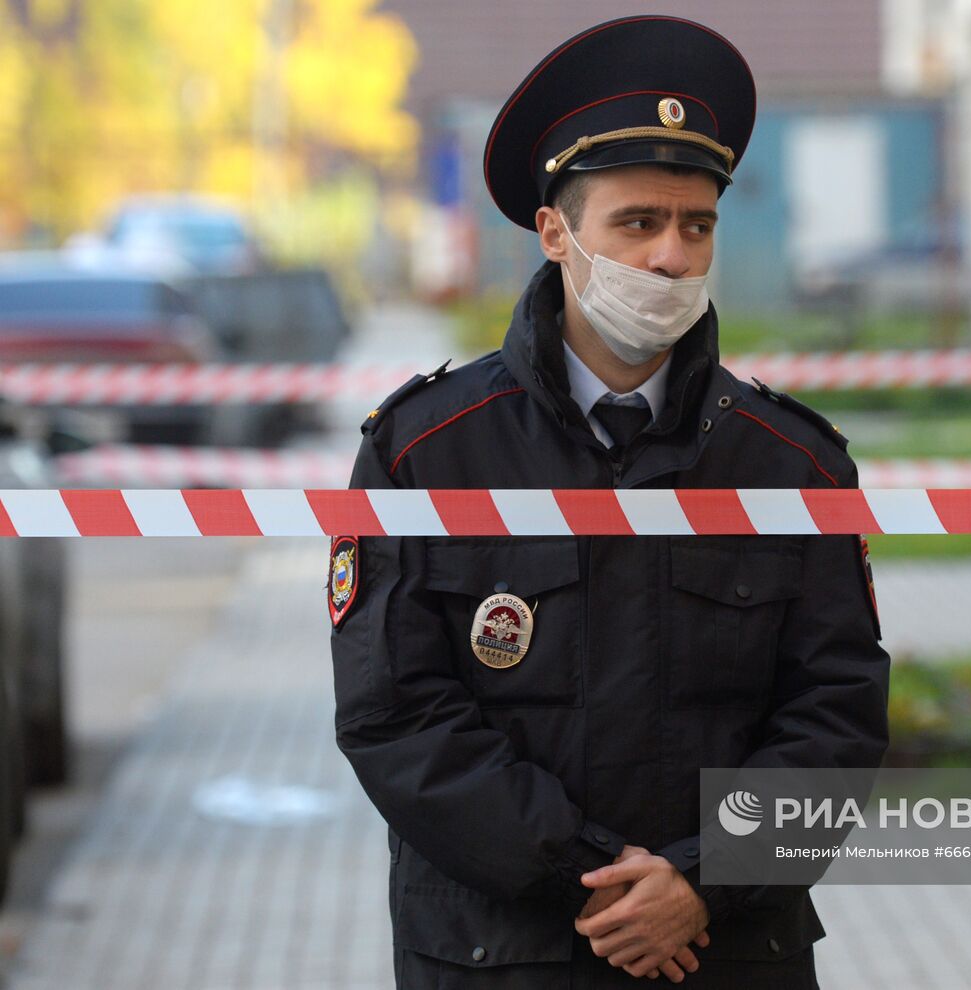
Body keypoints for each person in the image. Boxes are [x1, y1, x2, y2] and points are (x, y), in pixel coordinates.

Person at [329, 15, 889, 989]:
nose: (671, 256)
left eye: (696, 224)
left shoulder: (793, 464)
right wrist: (589, 878)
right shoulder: (423, 452)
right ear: (555, 232)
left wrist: (698, 879)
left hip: (726, 951)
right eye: (637, 222)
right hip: (498, 955)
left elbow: (834, 716)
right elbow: (393, 713)